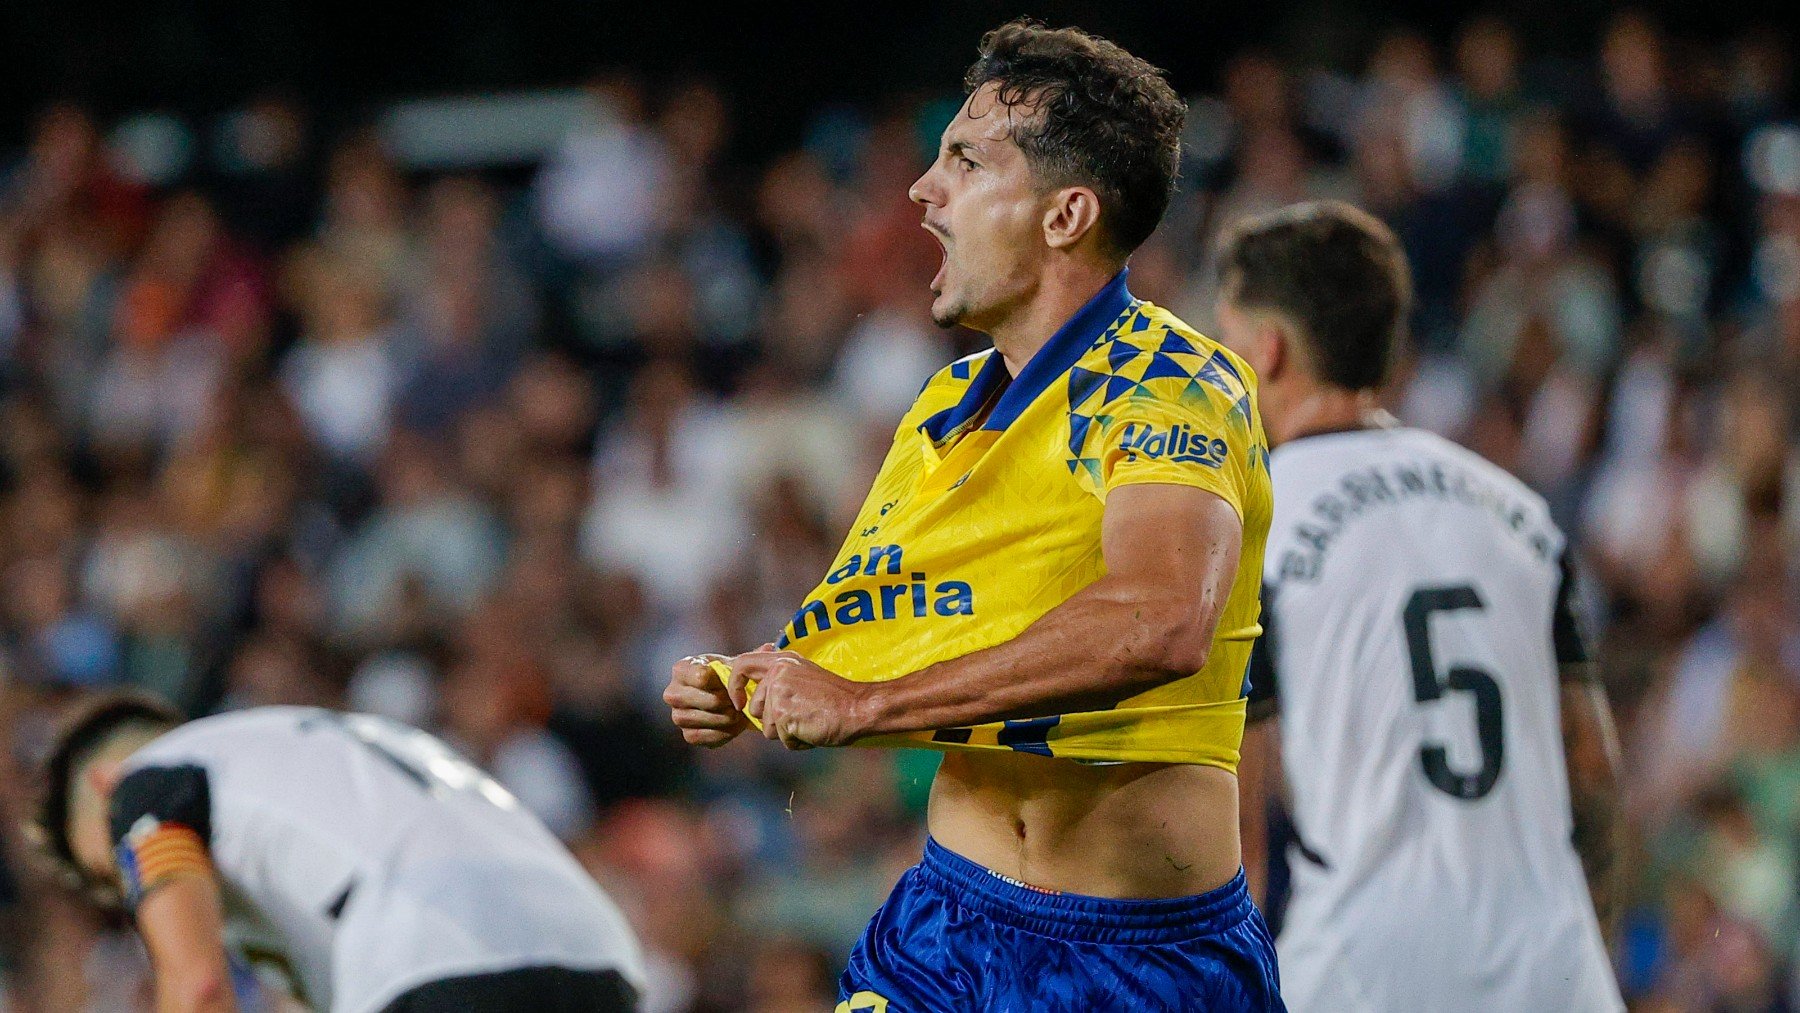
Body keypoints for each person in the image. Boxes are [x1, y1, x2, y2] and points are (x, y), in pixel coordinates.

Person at [664, 20, 1281, 1011]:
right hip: (943, 932)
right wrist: (753, 677)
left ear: (1065, 213)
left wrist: (861, 707)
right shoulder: (943, 407)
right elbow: (886, 624)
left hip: (1141, 960)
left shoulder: (1174, 386)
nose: (922, 188)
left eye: (964, 158)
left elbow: (1162, 620)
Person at [1219, 201, 1624, 1011]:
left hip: (1361, 971)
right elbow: (1594, 772)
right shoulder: (1518, 512)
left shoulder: (1250, 527)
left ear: (1267, 350)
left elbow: (1242, 831)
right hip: (1554, 967)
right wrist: (1586, 947)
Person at [34, 694, 646, 1012]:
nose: (137, 895)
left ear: (102, 785)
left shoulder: (143, 784)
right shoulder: (305, 742)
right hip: (600, 955)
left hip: (433, 957)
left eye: (116, 875)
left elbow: (197, 987)